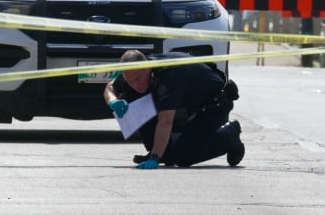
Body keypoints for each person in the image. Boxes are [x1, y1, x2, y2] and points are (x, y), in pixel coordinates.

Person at [103, 49, 244, 169]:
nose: (135, 84)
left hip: (214, 106)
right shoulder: (134, 71)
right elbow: (110, 87)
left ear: (148, 68)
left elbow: (166, 121)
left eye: (138, 79)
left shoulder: (169, 77)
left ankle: (229, 135)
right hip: (188, 104)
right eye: (130, 81)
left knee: (184, 157)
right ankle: (163, 152)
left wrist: (155, 158)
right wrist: (113, 101)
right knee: (131, 97)